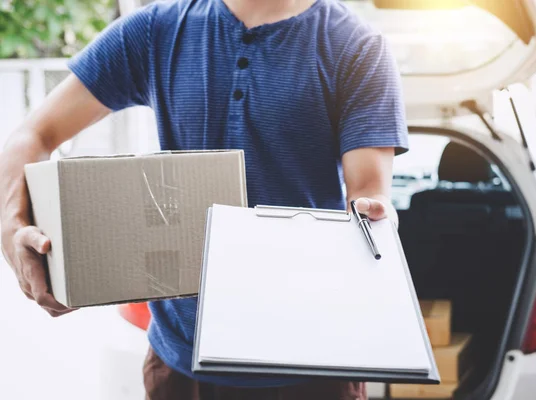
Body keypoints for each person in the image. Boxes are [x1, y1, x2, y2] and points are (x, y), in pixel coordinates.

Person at [0, 0, 408, 398]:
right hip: (181, 361)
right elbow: (31, 135)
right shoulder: (155, 29)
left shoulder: (356, 44)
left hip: (314, 358)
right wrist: (13, 231)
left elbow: (368, 196)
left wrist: (373, 216)